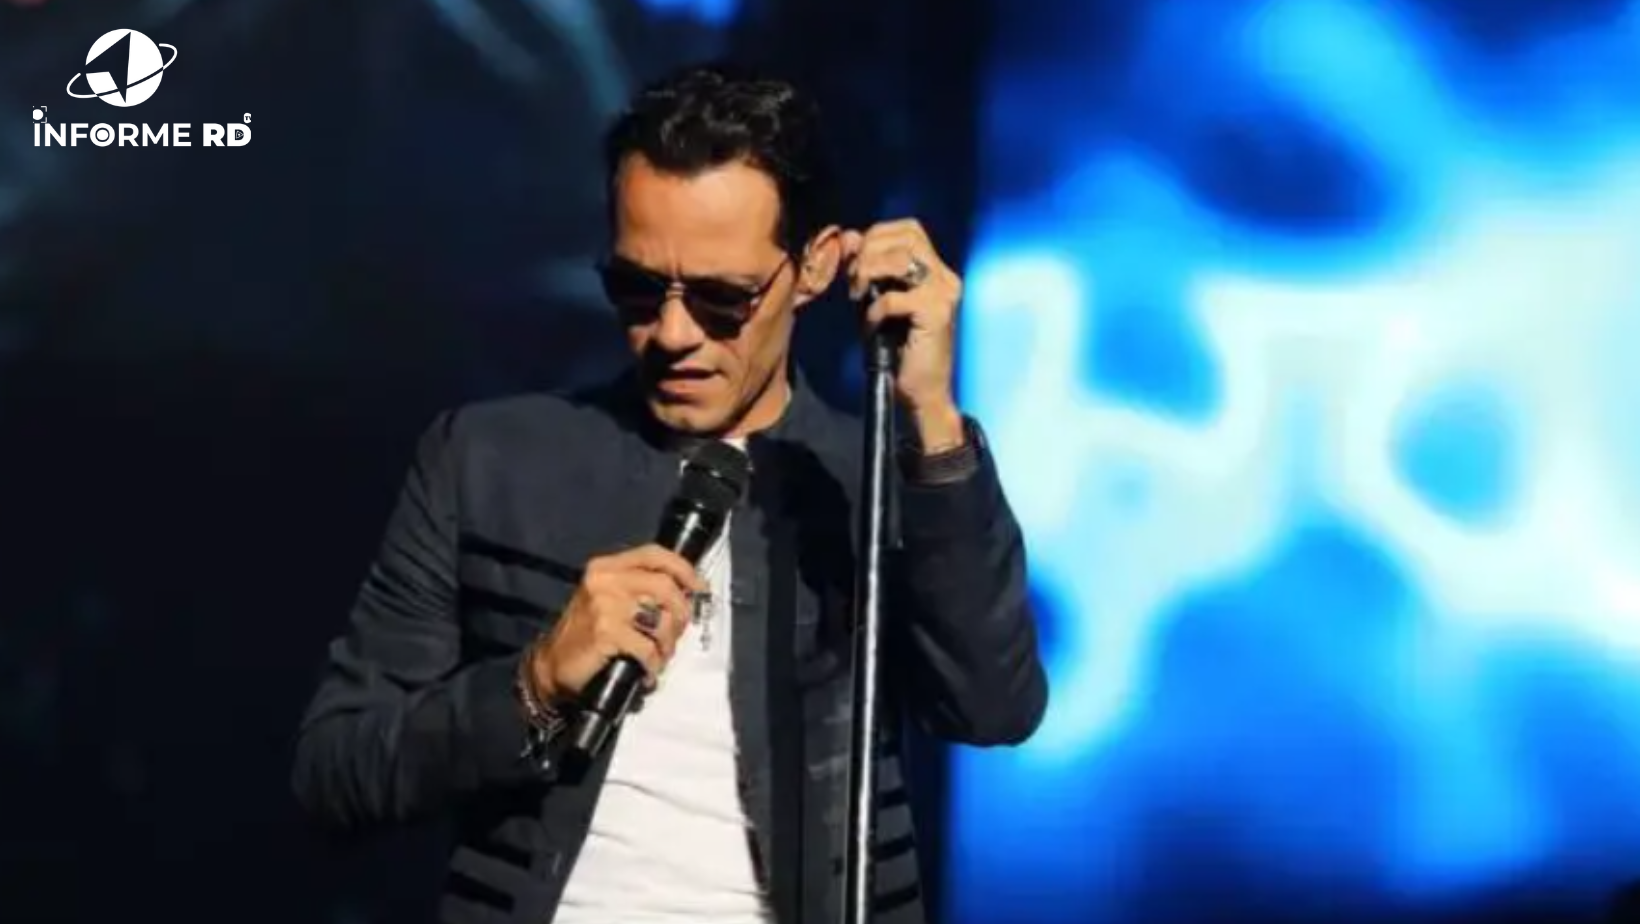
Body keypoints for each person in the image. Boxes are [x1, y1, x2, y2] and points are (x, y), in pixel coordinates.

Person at [291, 61, 1048, 924]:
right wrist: (535, 683)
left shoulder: (870, 477)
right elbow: (336, 769)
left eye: (724, 298)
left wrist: (931, 417)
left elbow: (993, 708)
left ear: (815, 266)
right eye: (639, 290)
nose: (675, 333)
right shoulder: (490, 459)